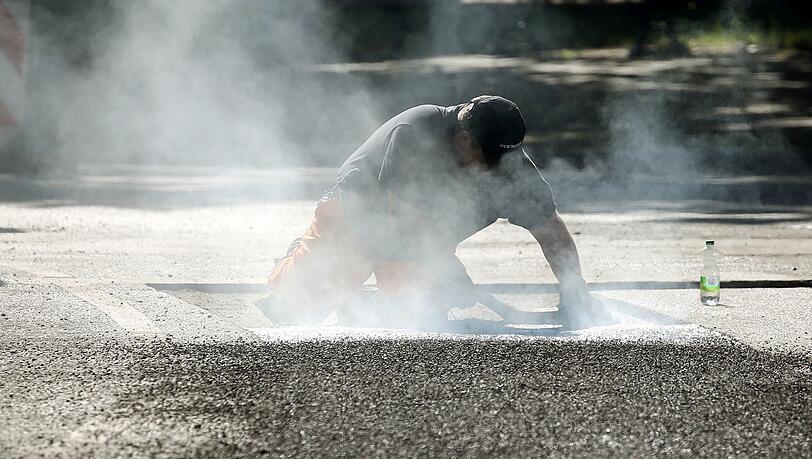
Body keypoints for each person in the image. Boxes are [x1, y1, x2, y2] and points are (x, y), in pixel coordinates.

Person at [260, 95, 597, 328]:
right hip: (358, 216)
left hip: (415, 235)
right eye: (490, 159)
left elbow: (550, 229)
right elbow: (399, 225)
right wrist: (444, 268)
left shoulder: (507, 162)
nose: (499, 169)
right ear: (464, 138)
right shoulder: (417, 132)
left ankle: (363, 301)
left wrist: (574, 288)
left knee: (411, 317)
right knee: (292, 311)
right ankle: (294, 264)